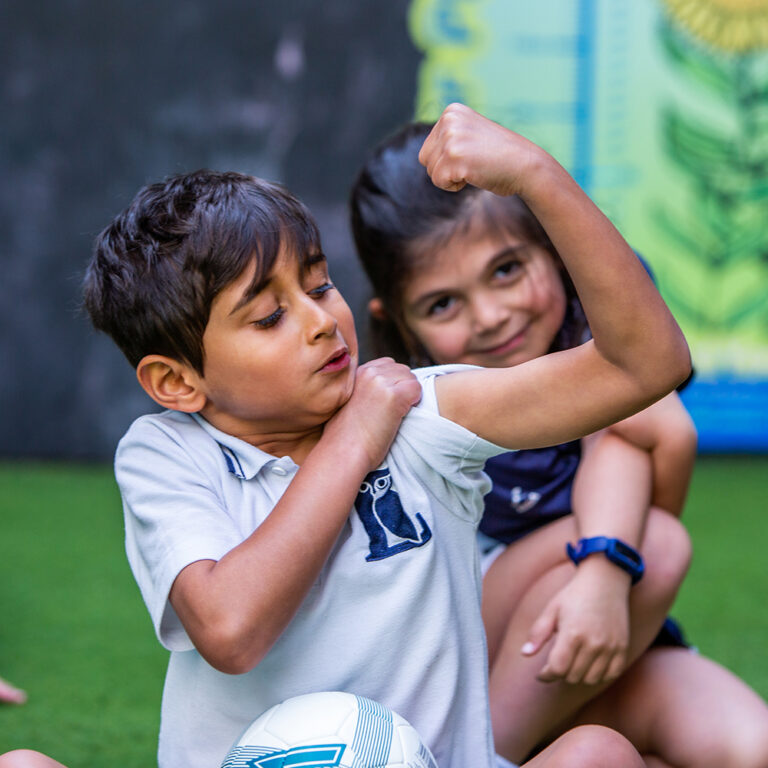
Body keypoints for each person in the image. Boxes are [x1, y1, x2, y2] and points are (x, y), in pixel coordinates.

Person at [1, 102, 692, 768]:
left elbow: (648, 366)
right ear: (178, 383)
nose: (320, 320)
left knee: (597, 753)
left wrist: (536, 175)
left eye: (320, 285)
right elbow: (229, 630)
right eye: (270, 316)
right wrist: (353, 441)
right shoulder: (168, 453)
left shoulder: (421, 415)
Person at [349, 113, 768, 768]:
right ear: (395, 322)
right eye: (442, 305)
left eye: (508, 270)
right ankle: (478, 755)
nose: (491, 317)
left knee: (750, 746)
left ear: (555, 252)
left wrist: (601, 578)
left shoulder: (593, 334)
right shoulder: (413, 398)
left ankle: (566, 728)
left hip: (594, 630)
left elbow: (633, 446)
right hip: (470, 647)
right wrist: (611, 565)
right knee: (654, 544)